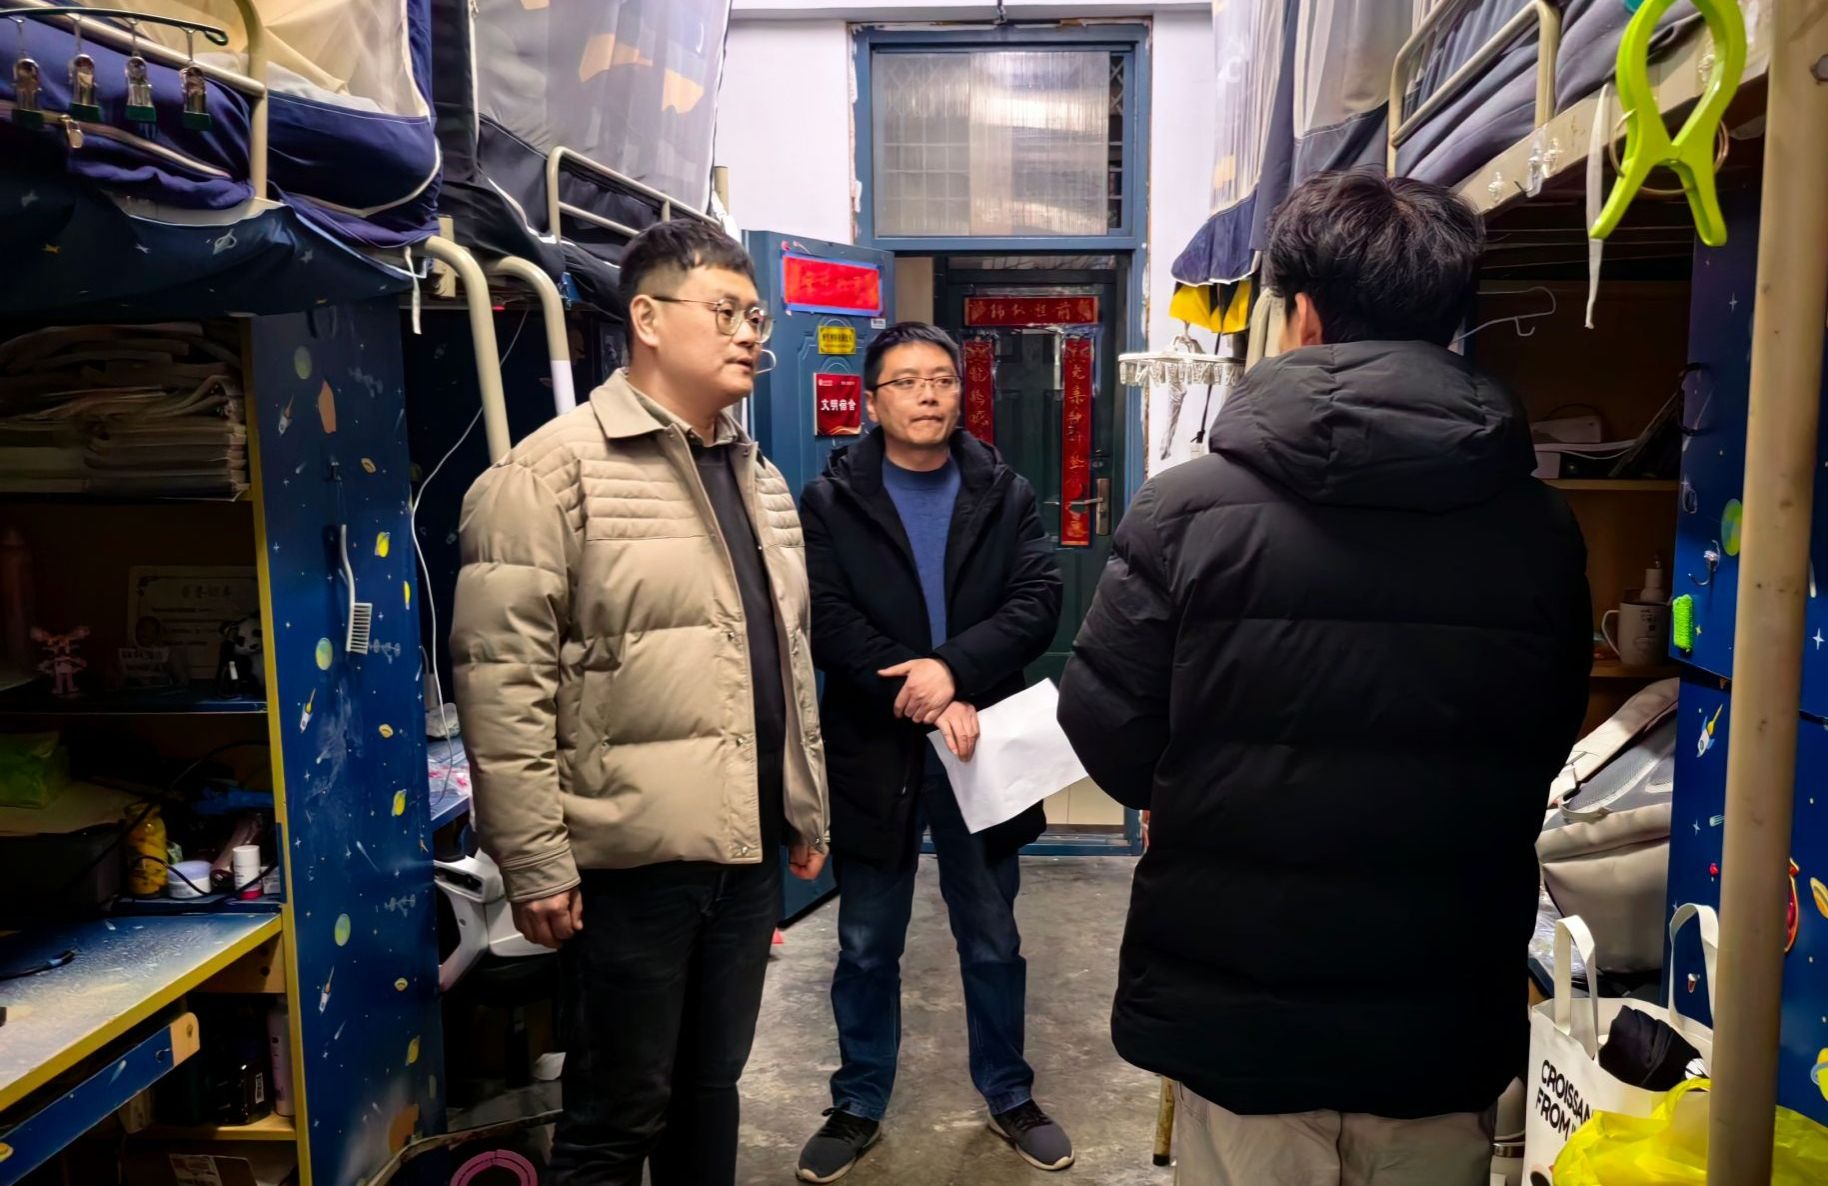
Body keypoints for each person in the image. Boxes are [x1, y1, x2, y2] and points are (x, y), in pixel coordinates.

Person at [1059, 170, 1592, 1186]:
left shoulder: (1185, 510)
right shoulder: (1539, 528)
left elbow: (1110, 738)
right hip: (1437, 1005)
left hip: (1242, 1003)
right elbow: (1545, 729)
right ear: (1450, 316)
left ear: (1301, 313)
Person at [450, 220, 830, 1186]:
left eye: (756, 317)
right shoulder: (547, 474)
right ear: (648, 319)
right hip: (628, 866)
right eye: (726, 312)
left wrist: (803, 806)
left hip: (743, 854)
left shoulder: (760, 478)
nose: (749, 334)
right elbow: (502, 681)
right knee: (618, 1116)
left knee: (711, 1089)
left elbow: (784, 658)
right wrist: (533, 860)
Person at [794, 322, 1072, 1181]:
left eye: (943, 379)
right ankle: (857, 1101)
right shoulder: (830, 499)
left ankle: (1009, 1092)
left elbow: (1038, 600)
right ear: (873, 400)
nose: (928, 394)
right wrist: (918, 690)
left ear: (961, 392)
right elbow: (825, 617)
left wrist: (953, 670)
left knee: (992, 936)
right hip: (875, 747)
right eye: (908, 381)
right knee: (866, 942)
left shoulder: (1004, 491)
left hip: (979, 742)